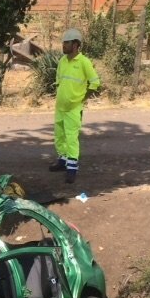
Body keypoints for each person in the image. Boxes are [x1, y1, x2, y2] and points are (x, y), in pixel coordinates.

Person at [49, 28, 101, 184]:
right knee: (59, 136)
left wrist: (82, 99)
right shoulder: (62, 61)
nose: (63, 45)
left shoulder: (84, 62)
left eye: (67, 43)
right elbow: (59, 81)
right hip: (60, 107)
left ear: (76, 44)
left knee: (71, 138)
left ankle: (72, 169)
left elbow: (95, 83)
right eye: (63, 42)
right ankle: (62, 161)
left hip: (73, 109)